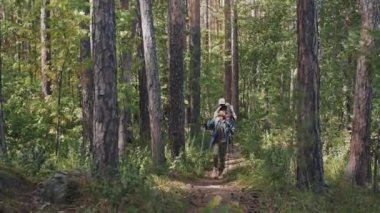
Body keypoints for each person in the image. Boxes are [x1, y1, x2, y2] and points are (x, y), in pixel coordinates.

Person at [206, 110, 234, 179]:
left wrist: (230, 132)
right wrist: (212, 120)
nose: (220, 117)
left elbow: (232, 129)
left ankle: (221, 172)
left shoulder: (227, 123)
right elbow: (208, 126)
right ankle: (215, 169)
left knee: (222, 158)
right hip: (216, 142)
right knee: (215, 155)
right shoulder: (215, 122)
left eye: (221, 116)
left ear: (223, 117)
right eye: (219, 116)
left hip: (224, 142)